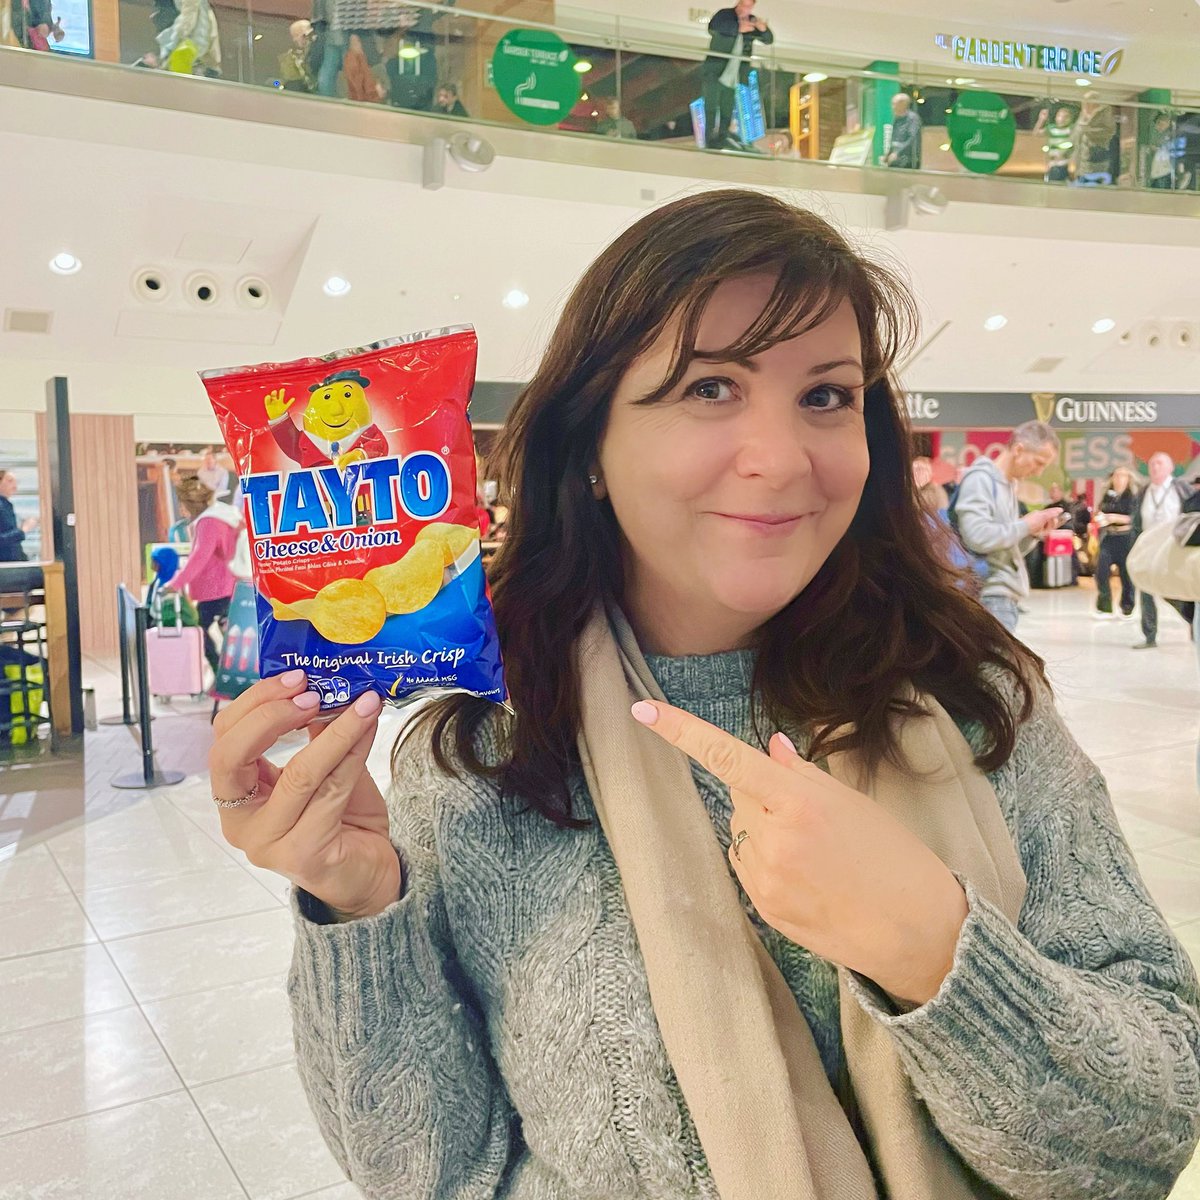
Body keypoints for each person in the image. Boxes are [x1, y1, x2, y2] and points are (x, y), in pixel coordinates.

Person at [209, 189, 1200, 1200]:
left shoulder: (979, 700)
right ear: (590, 448)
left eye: (827, 396)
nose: (782, 459)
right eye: (710, 388)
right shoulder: (484, 752)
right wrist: (357, 904)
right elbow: (430, 1174)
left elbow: (1152, 1127)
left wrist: (933, 946)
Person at [951, 423, 1063, 633]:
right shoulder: (980, 479)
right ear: (1018, 449)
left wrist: (1032, 533)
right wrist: (1025, 525)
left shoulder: (1007, 485)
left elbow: (1003, 548)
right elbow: (977, 536)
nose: (1039, 472)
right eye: (1038, 463)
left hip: (1000, 596)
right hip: (988, 594)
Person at [164, 476, 240, 675]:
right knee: (225, 632)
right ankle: (228, 673)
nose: (182, 510)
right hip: (227, 587)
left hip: (217, 590)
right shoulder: (222, 516)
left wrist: (175, 583)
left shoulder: (209, 522)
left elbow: (200, 556)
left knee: (200, 630)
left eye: (183, 505)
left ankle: (220, 672)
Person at [1132, 451, 1195, 649]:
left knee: (1179, 591)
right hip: (1148, 547)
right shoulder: (1144, 491)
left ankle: (1193, 623)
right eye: (1152, 464)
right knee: (1146, 591)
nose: (1155, 467)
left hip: (1174, 548)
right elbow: (1136, 520)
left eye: (1159, 463)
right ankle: (1149, 636)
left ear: (1170, 467)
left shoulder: (1182, 489)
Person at [701, 0, 773, 151]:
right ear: (738, 3)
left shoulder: (752, 21)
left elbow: (768, 40)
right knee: (711, 106)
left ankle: (723, 136)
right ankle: (709, 139)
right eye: (743, 5)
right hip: (715, 71)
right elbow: (713, 27)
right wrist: (738, 28)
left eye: (748, 6)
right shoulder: (725, 15)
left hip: (733, 74)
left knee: (727, 107)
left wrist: (763, 29)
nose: (745, 9)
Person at [1093, 466, 1138, 620]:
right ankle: (1104, 606)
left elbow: (1134, 518)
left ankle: (1127, 607)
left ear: (1128, 478)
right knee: (1101, 571)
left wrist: (1115, 518)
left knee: (1126, 575)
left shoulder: (1132, 497)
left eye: (1123, 476)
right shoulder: (1108, 495)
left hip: (1125, 538)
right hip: (1109, 536)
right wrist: (1100, 518)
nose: (1119, 479)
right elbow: (1100, 511)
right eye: (1116, 475)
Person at [0, 469, 37, 563]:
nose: (14, 485)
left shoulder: (7, 505)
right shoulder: (2, 506)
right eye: (10, 481)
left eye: (16, 482)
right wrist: (23, 529)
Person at [885, 91, 922, 169]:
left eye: (894, 104)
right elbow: (894, 139)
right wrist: (888, 155)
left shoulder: (913, 119)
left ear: (902, 104)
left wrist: (897, 153)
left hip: (908, 162)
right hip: (895, 161)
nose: (892, 107)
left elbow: (913, 139)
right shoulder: (897, 119)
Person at [278, 20, 317, 92]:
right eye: (304, 36)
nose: (310, 38)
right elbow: (292, 79)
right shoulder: (289, 59)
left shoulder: (317, 52)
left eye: (312, 34)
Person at [1143, 111, 1175, 190]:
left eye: (1163, 125)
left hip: (1162, 171)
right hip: (1152, 169)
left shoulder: (1169, 135)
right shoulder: (1153, 130)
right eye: (1159, 124)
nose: (1160, 127)